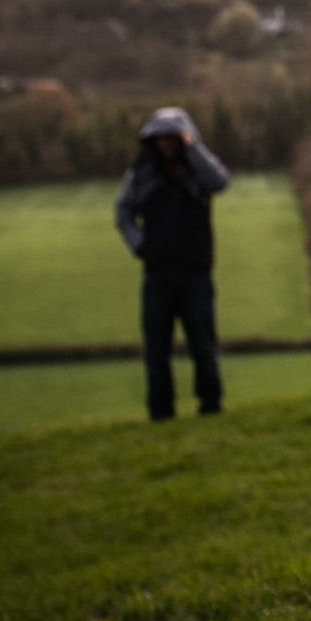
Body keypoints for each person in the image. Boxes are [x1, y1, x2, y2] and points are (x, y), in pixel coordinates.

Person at [113, 107, 233, 421]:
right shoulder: (141, 175)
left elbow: (220, 182)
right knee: (156, 351)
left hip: (196, 274)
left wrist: (193, 147)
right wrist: (140, 246)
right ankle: (161, 412)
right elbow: (123, 213)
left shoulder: (198, 172)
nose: (165, 144)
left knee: (203, 347)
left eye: (172, 138)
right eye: (160, 139)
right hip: (157, 276)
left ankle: (211, 406)